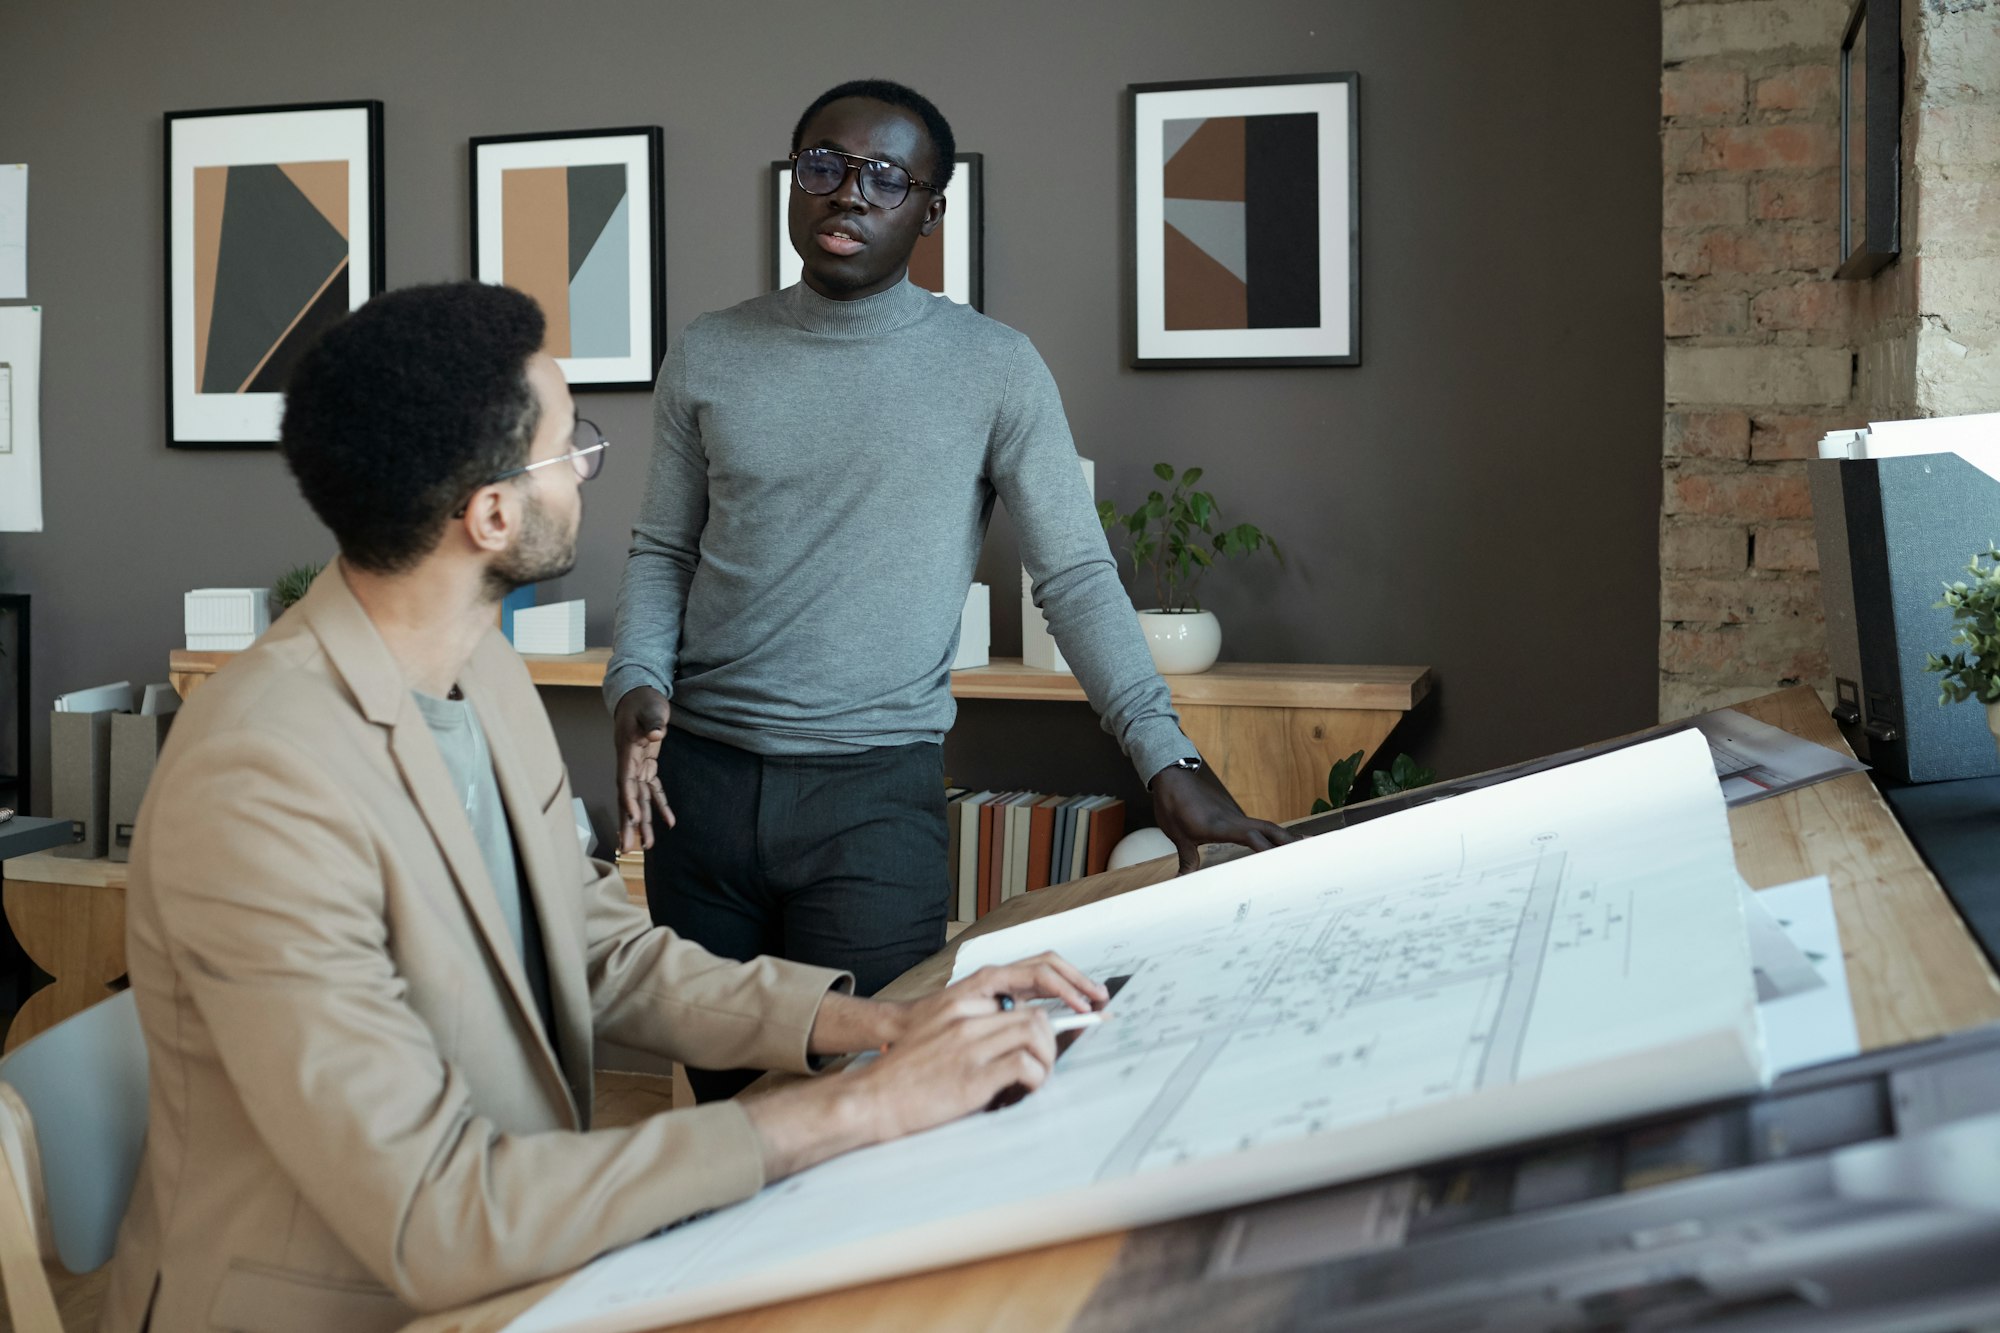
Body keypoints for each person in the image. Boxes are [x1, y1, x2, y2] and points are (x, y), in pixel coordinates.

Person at [101, 282, 1104, 1333]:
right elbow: (436, 1215)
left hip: (524, 1261)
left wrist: (878, 1027)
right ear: (492, 515)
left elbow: (597, 949)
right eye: (568, 444)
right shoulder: (260, 781)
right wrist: (858, 1106)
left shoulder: (478, 674)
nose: (587, 466)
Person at [607, 79, 1295, 1100]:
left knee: (887, 1098)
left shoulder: (993, 369)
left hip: (870, 802)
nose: (847, 193)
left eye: (884, 177)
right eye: (823, 166)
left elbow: (1072, 576)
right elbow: (664, 548)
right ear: (792, 185)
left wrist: (1165, 756)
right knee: (726, 1118)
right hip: (698, 800)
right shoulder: (709, 352)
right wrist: (635, 682)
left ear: (930, 212)